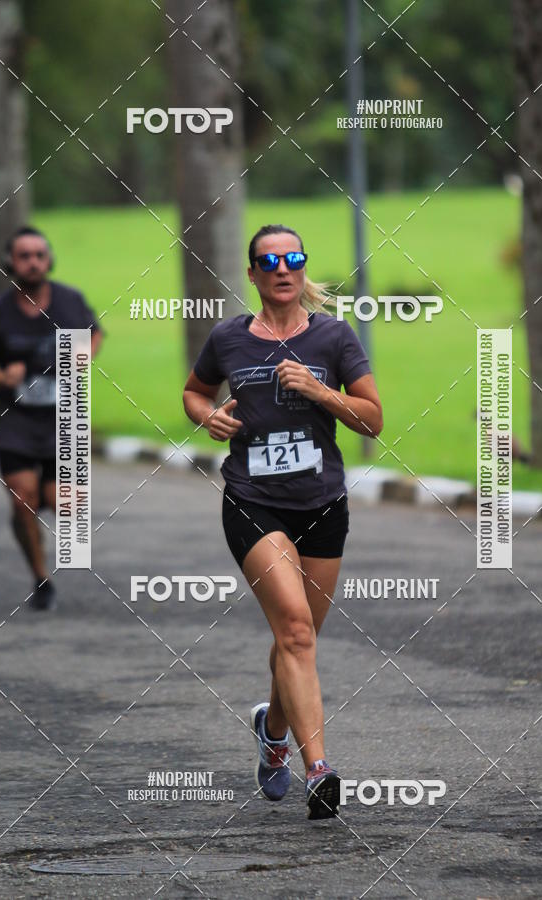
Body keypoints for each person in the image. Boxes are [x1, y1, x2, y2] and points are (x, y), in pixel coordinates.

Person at [182, 224, 383, 820]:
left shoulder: (334, 338)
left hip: (321, 504)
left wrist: (321, 392)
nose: (282, 268)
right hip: (252, 500)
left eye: (293, 257)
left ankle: (272, 729)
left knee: (298, 640)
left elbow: (372, 420)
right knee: (294, 630)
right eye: (268, 261)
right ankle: (318, 768)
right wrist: (208, 415)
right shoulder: (228, 338)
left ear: (302, 268)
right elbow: (194, 392)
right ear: (252, 275)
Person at [0, 227, 103, 610]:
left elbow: (95, 334)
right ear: (10, 263)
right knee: (23, 502)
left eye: (39, 254)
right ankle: (40, 577)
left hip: (63, 420)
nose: (33, 262)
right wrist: (3, 377)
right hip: (16, 423)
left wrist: (82, 357)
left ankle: (33, 520)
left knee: (63, 503)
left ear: (49, 260)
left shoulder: (69, 301)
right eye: (24, 255)